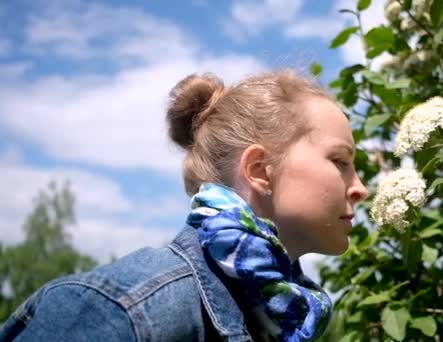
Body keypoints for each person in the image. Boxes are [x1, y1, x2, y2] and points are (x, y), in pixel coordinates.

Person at [0, 70, 368, 341]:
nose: (360, 189)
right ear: (260, 171)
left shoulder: (284, 314)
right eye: (339, 161)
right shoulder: (126, 311)